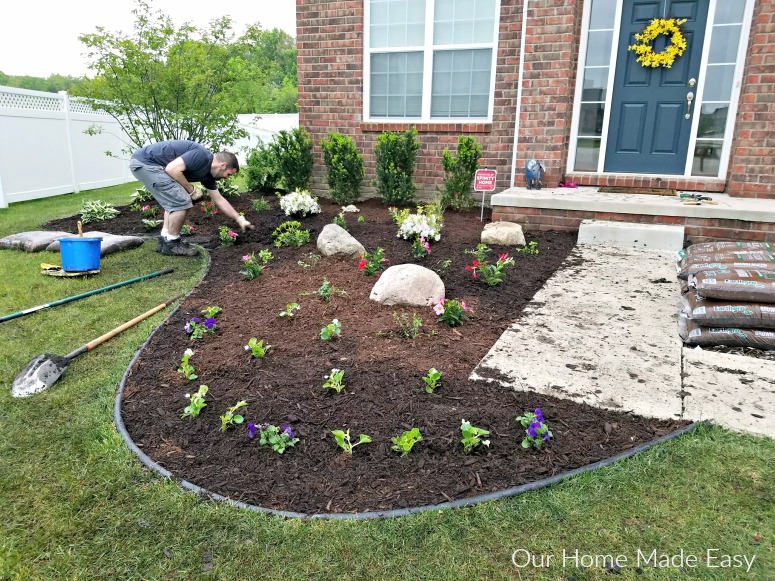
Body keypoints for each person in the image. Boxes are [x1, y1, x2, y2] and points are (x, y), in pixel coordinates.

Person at [130, 140, 254, 256]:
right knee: (182, 201)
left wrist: (240, 219)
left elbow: (219, 199)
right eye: (228, 174)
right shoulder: (201, 156)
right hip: (146, 163)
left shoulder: (208, 175)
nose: (227, 178)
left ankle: (165, 239)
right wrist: (191, 189)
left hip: (145, 164)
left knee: (174, 201)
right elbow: (172, 169)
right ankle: (172, 243)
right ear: (223, 165)